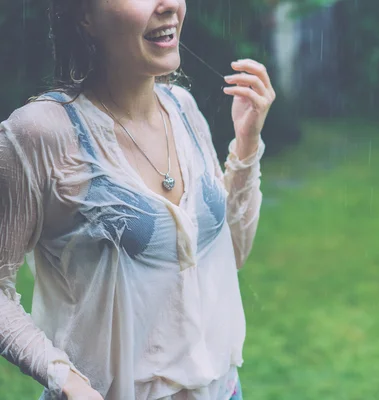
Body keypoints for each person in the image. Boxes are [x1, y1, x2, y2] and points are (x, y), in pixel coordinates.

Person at [0, 0, 276, 399]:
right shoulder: (38, 135)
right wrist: (68, 381)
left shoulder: (183, 109)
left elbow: (231, 255)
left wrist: (247, 143)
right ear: (84, 17)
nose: (168, 5)